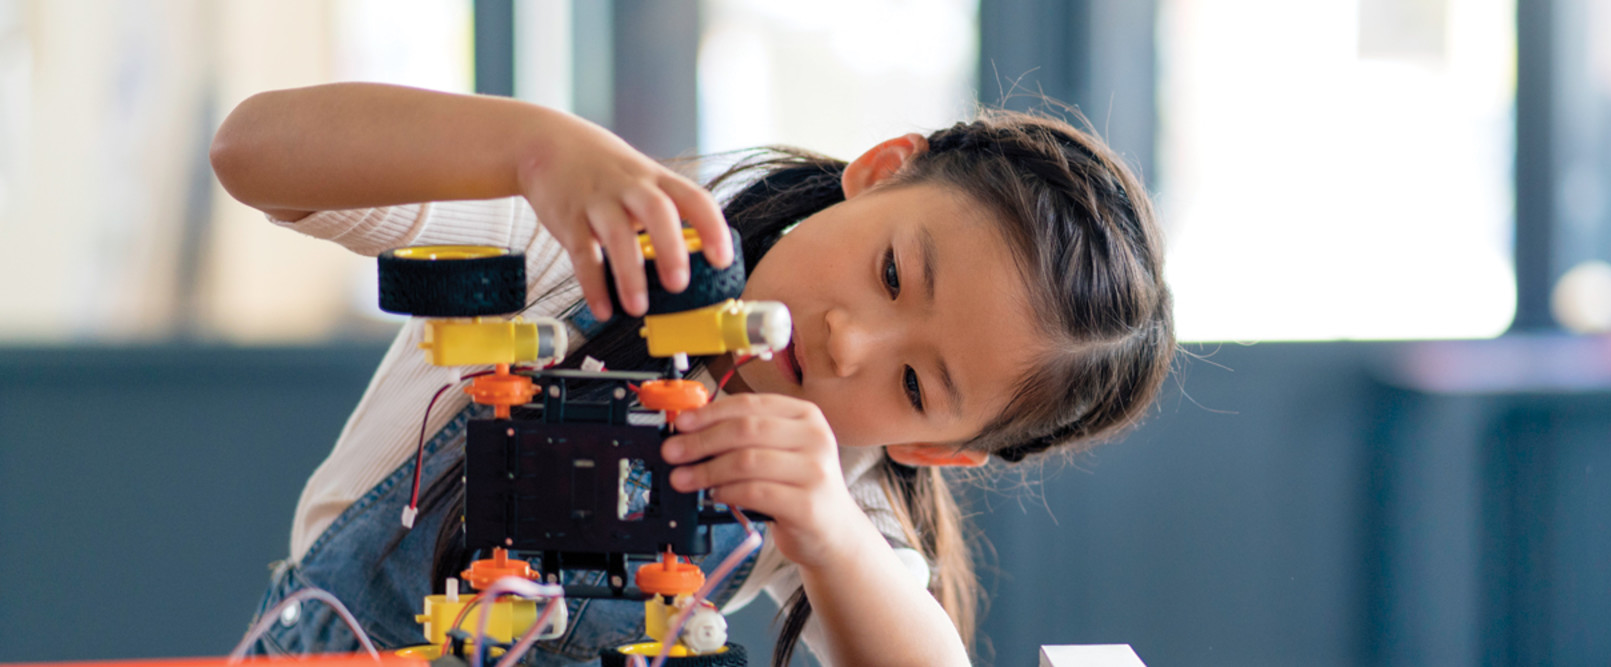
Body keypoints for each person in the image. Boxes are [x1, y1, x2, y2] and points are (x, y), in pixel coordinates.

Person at [210, 82, 1174, 667]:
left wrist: (831, 533)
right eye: (890, 273)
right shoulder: (596, 238)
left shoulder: (833, 479)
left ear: (930, 447)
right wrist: (533, 150)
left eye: (916, 385)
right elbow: (250, 152)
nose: (850, 343)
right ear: (881, 170)